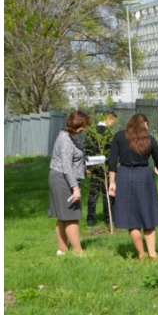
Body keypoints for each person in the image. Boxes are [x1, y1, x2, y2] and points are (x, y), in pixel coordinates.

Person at [108, 113, 158, 261]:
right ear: (144, 124)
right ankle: (152, 253)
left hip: (124, 176)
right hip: (143, 177)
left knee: (131, 218)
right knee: (148, 215)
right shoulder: (150, 139)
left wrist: (112, 183)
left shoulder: (119, 136)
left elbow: (112, 162)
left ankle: (141, 254)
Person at [48, 109, 91, 256]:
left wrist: (84, 167)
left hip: (60, 176)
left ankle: (62, 250)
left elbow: (73, 160)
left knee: (63, 216)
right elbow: (66, 167)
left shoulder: (69, 136)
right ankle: (78, 252)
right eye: (82, 126)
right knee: (71, 216)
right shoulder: (66, 140)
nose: (84, 129)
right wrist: (75, 188)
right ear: (75, 124)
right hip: (63, 178)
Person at [84, 111, 117, 226]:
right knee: (106, 193)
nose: (112, 124)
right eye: (113, 121)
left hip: (93, 166)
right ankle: (108, 217)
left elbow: (87, 149)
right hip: (105, 166)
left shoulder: (91, 132)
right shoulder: (108, 133)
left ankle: (90, 219)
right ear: (109, 119)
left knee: (93, 192)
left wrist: (88, 166)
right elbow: (112, 151)